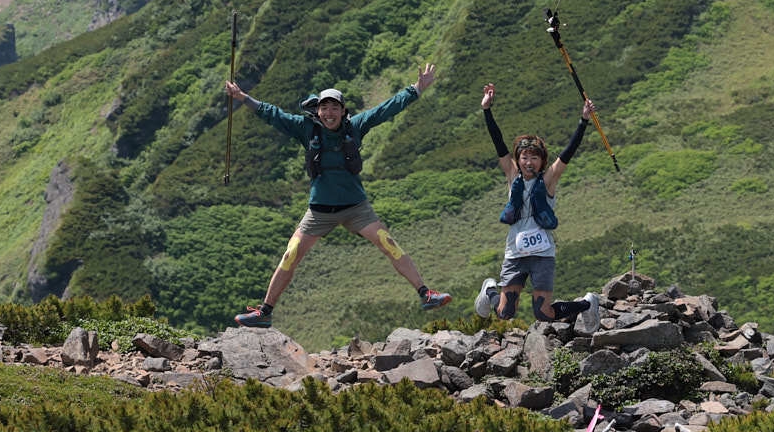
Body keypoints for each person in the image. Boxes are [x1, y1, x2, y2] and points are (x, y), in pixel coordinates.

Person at [226, 63, 450, 326]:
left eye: (334, 108)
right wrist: (242, 98)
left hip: (355, 206)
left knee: (387, 243)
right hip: (320, 209)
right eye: (324, 108)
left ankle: (426, 294)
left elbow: (385, 109)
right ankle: (264, 312)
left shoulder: (354, 127)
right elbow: (273, 114)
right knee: (292, 252)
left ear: (343, 111)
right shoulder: (306, 128)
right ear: (318, 110)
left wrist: (416, 89)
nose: (329, 113)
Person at [473, 83, 602, 329]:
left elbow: (567, 154)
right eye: (524, 157)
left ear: (541, 160)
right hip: (515, 252)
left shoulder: (548, 179)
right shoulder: (512, 175)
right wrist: (487, 110)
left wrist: (583, 120)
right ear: (518, 160)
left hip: (542, 253)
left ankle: (587, 303)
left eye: (534, 157)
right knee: (504, 312)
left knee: (543, 314)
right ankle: (490, 289)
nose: (528, 161)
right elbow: (498, 144)